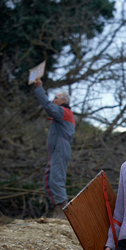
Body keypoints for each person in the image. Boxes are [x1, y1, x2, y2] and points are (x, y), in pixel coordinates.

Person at [33, 78, 75, 218]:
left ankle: (62, 213)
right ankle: (58, 210)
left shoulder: (64, 112)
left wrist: (39, 88)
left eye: (56, 98)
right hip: (57, 149)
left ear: (63, 101)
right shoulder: (62, 114)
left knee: (56, 179)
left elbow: (47, 106)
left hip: (61, 147)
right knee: (49, 180)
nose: (53, 100)